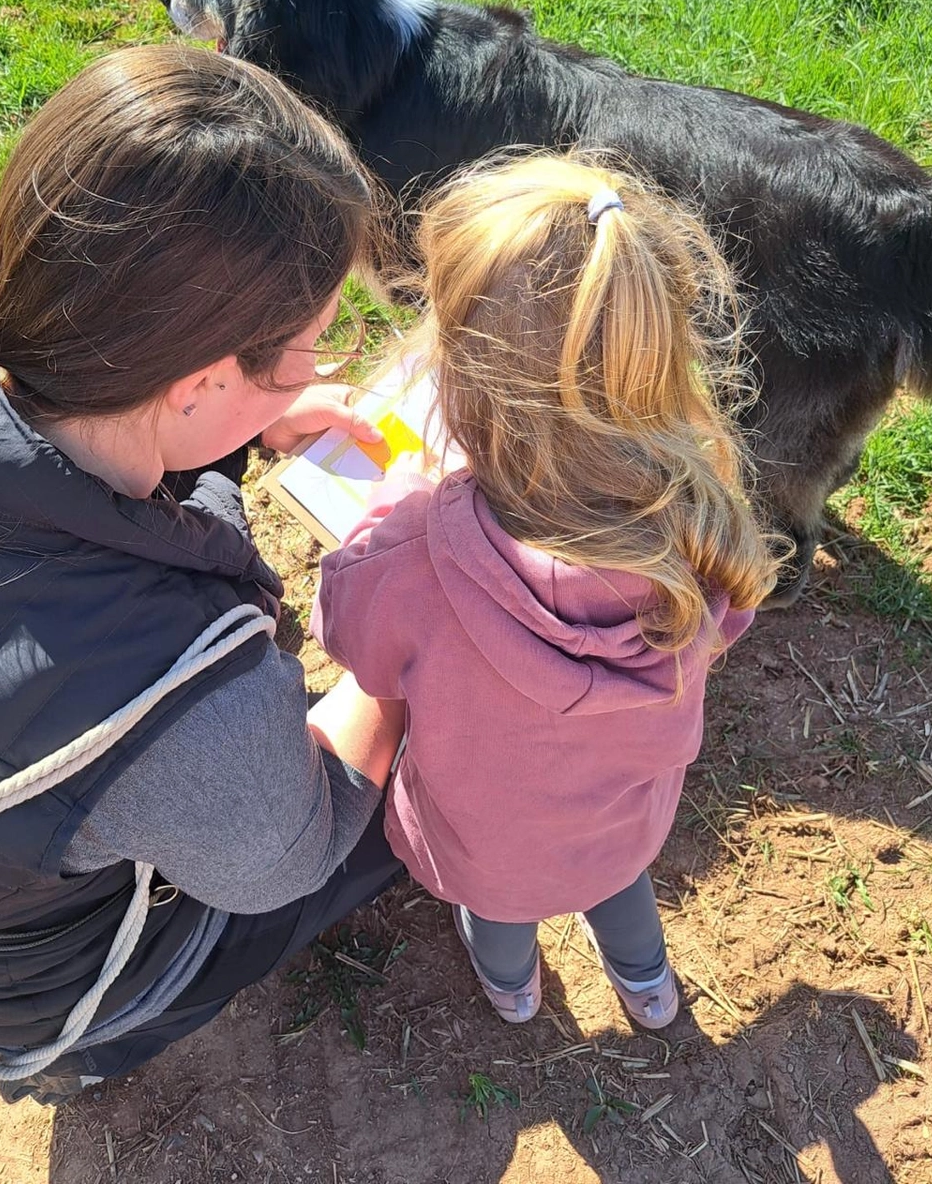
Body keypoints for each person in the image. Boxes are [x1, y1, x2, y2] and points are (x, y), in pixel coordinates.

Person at [0, 45, 405, 1102]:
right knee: (388, 800)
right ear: (191, 384)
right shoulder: (187, 703)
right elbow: (290, 848)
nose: (317, 370)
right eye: (307, 350)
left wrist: (250, 415)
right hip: (38, 997)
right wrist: (402, 652)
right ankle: (84, 1063)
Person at [312, 156, 780, 1028]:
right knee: (618, 893)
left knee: (500, 915)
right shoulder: (701, 520)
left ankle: (513, 992)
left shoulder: (407, 552)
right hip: (618, 826)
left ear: (458, 373)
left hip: (487, 841)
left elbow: (351, 645)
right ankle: (647, 989)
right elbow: (734, 616)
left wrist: (395, 505)